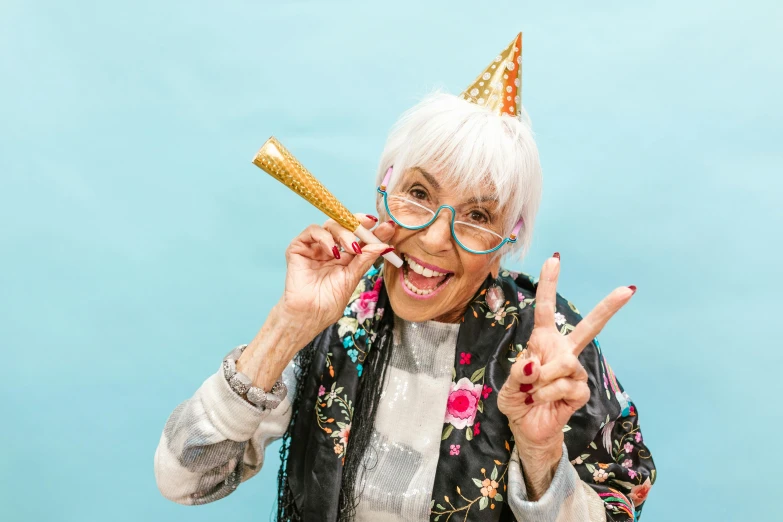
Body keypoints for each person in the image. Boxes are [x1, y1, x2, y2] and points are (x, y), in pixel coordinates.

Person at [154, 33, 656, 521]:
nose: (436, 239)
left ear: (507, 244)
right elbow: (183, 480)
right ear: (382, 194)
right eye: (418, 192)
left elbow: (618, 499)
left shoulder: (551, 351)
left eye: (478, 217)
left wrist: (542, 454)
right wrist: (287, 327)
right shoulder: (340, 315)